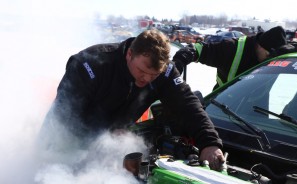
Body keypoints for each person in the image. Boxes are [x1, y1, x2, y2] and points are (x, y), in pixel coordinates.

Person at [39, 29, 225, 170]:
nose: (146, 79)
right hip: (62, 144)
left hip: (108, 146)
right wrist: (99, 138)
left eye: (153, 75)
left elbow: (188, 105)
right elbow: (63, 118)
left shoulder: (165, 72)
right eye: (142, 71)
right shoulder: (91, 64)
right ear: (129, 54)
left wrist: (210, 143)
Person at [173, 26, 297, 90]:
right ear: (259, 46)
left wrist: (289, 49)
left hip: (255, 113)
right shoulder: (231, 48)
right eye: (267, 55)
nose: (269, 60)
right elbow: (198, 49)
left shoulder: (274, 51)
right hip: (222, 109)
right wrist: (179, 61)